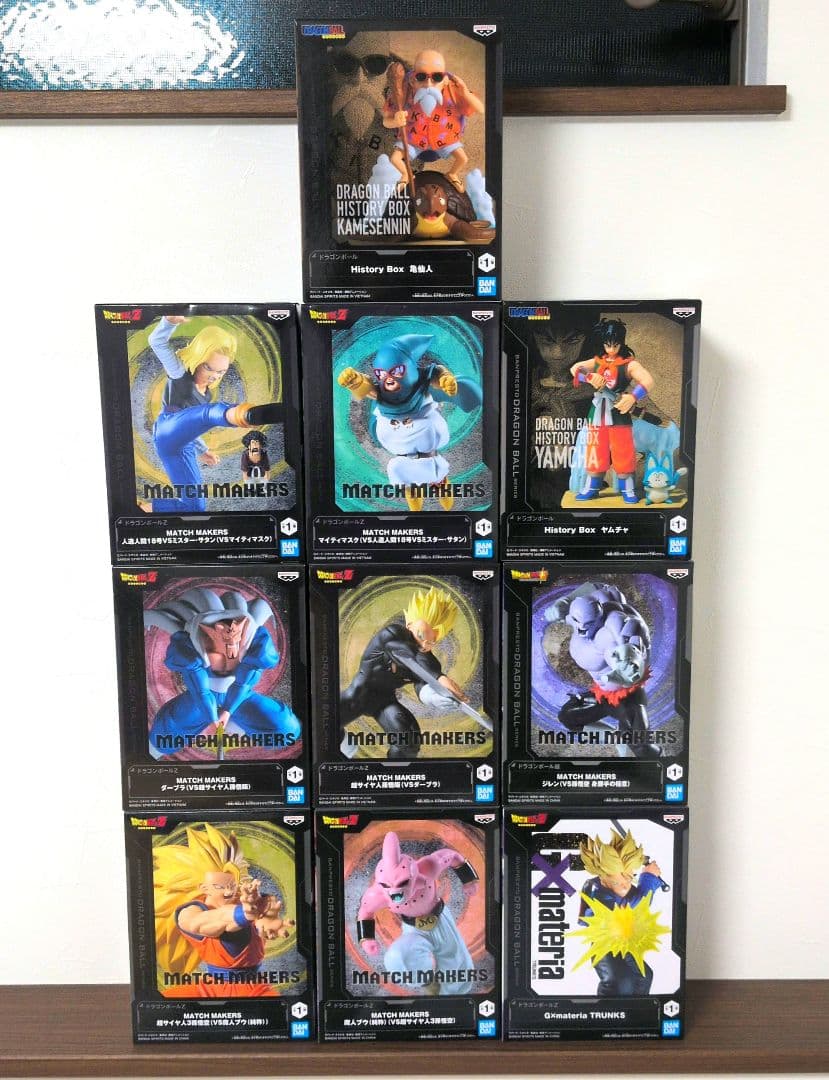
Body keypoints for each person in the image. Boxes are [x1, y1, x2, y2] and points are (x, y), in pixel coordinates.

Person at [144, 586, 301, 759]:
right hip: (201, 697)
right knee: (163, 738)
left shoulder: (253, 644)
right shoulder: (190, 647)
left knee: (286, 729)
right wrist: (211, 716)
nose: (230, 651)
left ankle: (239, 724)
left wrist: (227, 711)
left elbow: (243, 683)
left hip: (241, 696)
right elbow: (200, 689)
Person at [140, 315, 277, 513]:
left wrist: (202, 451)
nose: (214, 376)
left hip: (182, 445)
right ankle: (239, 414)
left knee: (194, 506)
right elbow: (157, 342)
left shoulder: (207, 394)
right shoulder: (179, 373)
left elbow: (192, 426)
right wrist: (169, 322)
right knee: (210, 413)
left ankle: (141, 510)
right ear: (198, 358)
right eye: (208, 368)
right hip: (167, 430)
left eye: (221, 372)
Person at [153, 822, 293, 998]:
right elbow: (210, 922)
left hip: (255, 989)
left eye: (232, 886)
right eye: (220, 887)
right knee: (163, 1004)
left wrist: (267, 917)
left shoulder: (249, 899)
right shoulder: (189, 911)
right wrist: (244, 914)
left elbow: (265, 910)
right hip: (209, 989)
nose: (229, 892)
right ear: (203, 888)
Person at [339, 586, 467, 759]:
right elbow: (408, 654)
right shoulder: (392, 634)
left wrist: (434, 696)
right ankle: (340, 747)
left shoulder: (426, 660)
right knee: (321, 722)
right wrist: (440, 678)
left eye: (432, 642)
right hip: (357, 696)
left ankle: (395, 774)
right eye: (422, 635)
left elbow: (422, 683)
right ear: (410, 625)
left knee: (409, 740)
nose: (424, 645)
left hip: (384, 702)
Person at [356, 831, 478, 994]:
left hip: (441, 920)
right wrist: (367, 939)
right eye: (387, 886)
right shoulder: (376, 895)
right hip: (413, 929)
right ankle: (427, 982)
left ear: (415, 875)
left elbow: (452, 856)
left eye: (403, 883)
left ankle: (452, 998)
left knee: (458, 971)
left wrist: (469, 879)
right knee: (398, 957)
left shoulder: (428, 867)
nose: (396, 894)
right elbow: (365, 911)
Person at [569, 319, 654, 504]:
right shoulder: (596, 362)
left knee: (623, 451)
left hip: (618, 413)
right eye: (608, 344)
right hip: (597, 414)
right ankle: (592, 487)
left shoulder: (629, 364)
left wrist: (632, 397)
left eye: (615, 344)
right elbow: (574, 369)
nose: (611, 349)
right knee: (595, 451)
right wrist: (589, 377)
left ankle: (628, 489)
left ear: (621, 343)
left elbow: (648, 380)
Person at [383, 48, 484, 192]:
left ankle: (452, 174)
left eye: (436, 77)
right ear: (412, 80)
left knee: (463, 159)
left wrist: (465, 92)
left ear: (445, 80)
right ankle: (406, 175)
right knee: (395, 159)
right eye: (421, 77)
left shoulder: (453, 91)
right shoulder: (403, 92)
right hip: (413, 139)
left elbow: (481, 109)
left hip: (444, 138)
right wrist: (395, 122)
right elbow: (386, 121)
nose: (428, 84)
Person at [577, 829, 664, 996]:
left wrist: (648, 875)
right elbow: (636, 906)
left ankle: (637, 1010)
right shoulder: (599, 895)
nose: (625, 885)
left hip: (622, 942)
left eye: (629, 877)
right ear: (604, 878)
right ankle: (608, 1011)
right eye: (618, 881)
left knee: (644, 976)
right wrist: (649, 878)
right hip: (605, 948)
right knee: (619, 983)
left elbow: (635, 900)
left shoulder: (613, 888)